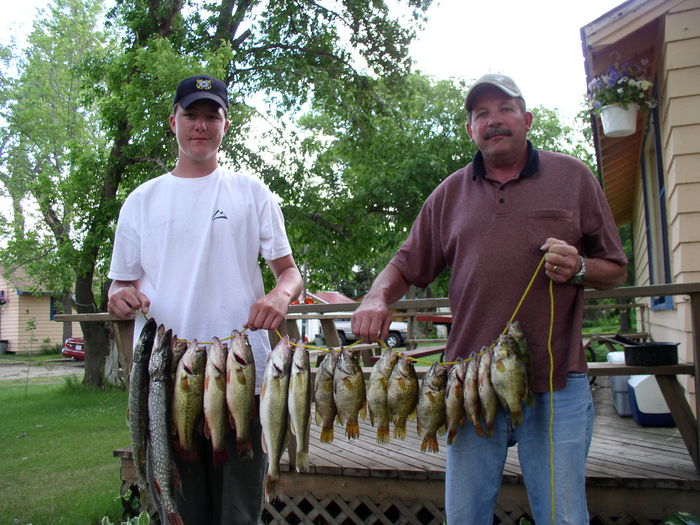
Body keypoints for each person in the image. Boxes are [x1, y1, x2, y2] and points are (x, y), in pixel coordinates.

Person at [351, 73, 627, 524]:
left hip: (556, 383)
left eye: (505, 109)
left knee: (563, 517)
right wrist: (376, 297)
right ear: (470, 130)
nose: (494, 120)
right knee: (464, 516)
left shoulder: (573, 177)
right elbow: (404, 264)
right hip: (467, 382)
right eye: (482, 114)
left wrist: (580, 267)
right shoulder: (449, 194)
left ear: (527, 119)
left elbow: (615, 268)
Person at [107, 74, 303, 524]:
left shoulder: (253, 193)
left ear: (225, 124)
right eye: (190, 115)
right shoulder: (141, 201)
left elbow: (289, 273)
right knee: (179, 508)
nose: (200, 125)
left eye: (210, 116)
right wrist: (119, 297)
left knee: (238, 513)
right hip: (164, 380)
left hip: (241, 378)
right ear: (172, 121)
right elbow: (120, 285)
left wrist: (279, 295)